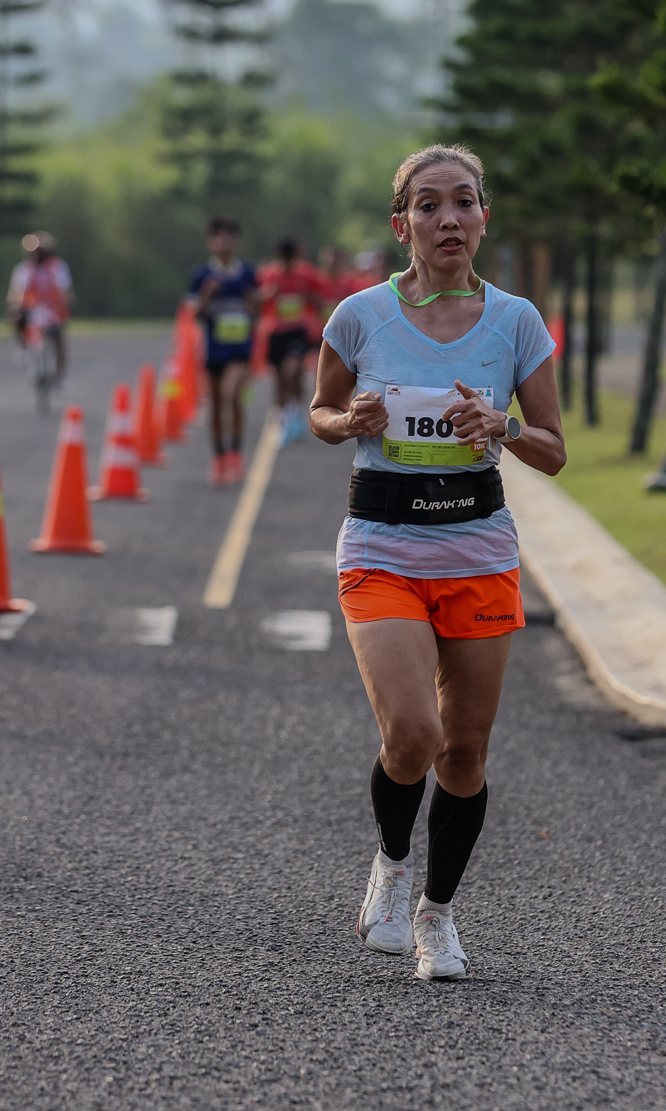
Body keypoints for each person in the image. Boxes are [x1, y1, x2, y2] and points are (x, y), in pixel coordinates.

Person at [310, 144, 565, 980]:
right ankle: (391, 866)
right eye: (429, 205)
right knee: (413, 733)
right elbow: (319, 412)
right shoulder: (359, 316)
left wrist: (503, 428)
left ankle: (437, 915)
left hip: (478, 548)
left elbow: (554, 449)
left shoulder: (517, 322)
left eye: (463, 202)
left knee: (463, 754)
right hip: (381, 545)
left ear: (484, 218)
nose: (448, 218)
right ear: (402, 225)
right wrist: (350, 421)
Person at [189, 217, 260, 484]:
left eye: (229, 237)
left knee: (232, 395)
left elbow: (258, 312)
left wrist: (254, 302)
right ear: (211, 243)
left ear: (236, 242)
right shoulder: (202, 275)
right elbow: (194, 314)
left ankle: (236, 454)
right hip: (214, 351)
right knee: (217, 404)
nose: (224, 242)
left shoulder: (247, 273)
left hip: (240, 350)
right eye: (218, 237)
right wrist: (207, 296)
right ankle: (219, 456)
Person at [256, 237, 328, 445]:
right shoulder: (268, 275)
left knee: (293, 371)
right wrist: (268, 294)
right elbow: (256, 301)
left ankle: (295, 410)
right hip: (275, 331)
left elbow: (320, 300)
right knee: (280, 378)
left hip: (298, 331)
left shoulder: (307, 274)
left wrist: (310, 297)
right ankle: (286, 416)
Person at [7, 231, 74, 383]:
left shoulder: (57, 267)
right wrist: (16, 303)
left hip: (52, 309)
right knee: (15, 316)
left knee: (58, 338)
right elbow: (16, 291)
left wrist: (65, 301)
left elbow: (65, 289)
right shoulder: (24, 269)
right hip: (31, 308)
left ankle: (59, 375)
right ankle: (23, 348)